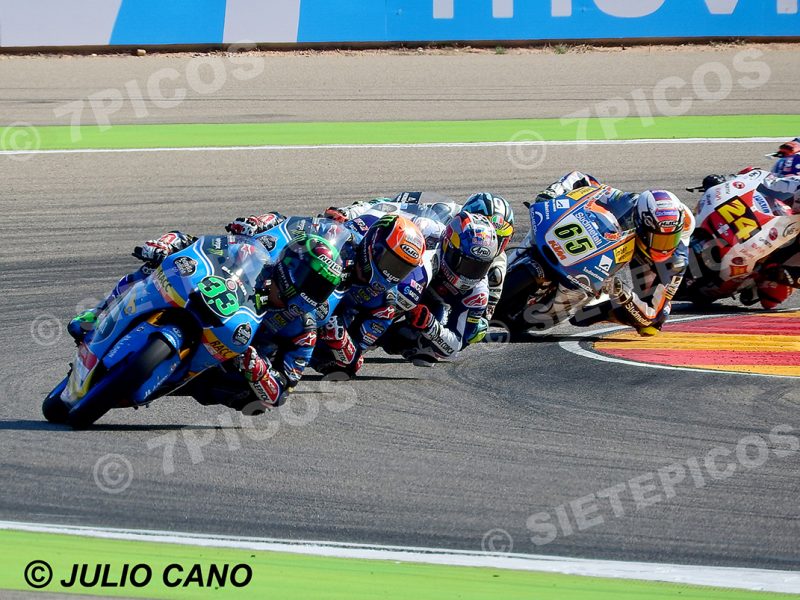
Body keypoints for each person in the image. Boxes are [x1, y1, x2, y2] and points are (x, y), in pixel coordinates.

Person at [536, 172, 694, 335]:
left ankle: (598, 308)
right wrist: (553, 192)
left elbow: (653, 314)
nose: (664, 248)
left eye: (670, 239)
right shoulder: (628, 202)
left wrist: (622, 294)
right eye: (659, 240)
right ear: (642, 224)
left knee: (652, 325)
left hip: (650, 264)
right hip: (629, 237)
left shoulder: (676, 262)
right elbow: (584, 179)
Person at [380, 211, 498, 366]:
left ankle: (379, 335)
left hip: (431, 306)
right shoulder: (428, 229)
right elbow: (386, 213)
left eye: (479, 268)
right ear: (449, 247)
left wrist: (430, 325)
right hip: (395, 277)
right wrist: (351, 213)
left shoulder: (478, 292)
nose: (471, 275)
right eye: (467, 265)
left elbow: (454, 347)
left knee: (470, 332)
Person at [316, 214, 426, 377]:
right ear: (375, 245)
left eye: (401, 269)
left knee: (347, 367)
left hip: (322, 324)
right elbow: (299, 234)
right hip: (296, 291)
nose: (392, 274)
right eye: (392, 263)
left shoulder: (385, 306)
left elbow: (356, 353)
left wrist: (342, 342)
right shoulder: (345, 242)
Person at [693, 167, 800, 308]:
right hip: (773, 224)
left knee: (772, 297)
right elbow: (768, 180)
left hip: (786, 252)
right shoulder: (797, 182)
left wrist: (788, 273)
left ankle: (753, 284)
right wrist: (732, 179)